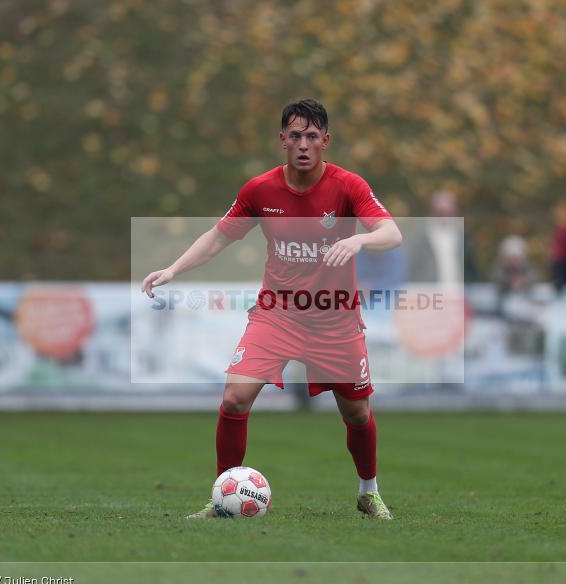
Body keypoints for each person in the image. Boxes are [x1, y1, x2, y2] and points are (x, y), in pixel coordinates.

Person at [141, 98, 402, 520]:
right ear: (282, 139)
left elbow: (391, 232)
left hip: (334, 317)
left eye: (312, 136)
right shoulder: (260, 190)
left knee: (356, 413)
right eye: (295, 135)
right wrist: (174, 269)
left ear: (326, 141)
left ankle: (368, 491)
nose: (303, 144)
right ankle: (222, 497)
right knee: (234, 398)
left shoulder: (348, 185)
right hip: (276, 313)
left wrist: (358, 240)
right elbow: (218, 237)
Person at [407, 189, 478, 285]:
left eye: (448, 212)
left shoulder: (463, 237)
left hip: (456, 293)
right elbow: (412, 267)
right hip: (429, 293)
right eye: (440, 212)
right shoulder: (420, 237)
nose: (444, 216)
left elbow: (470, 269)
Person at [491, 234, 539, 314]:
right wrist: (509, 281)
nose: (514, 262)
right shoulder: (501, 268)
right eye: (511, 258)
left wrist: (524, 282)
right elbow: (496, 277)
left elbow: (534, 276)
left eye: (516, 258)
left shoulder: (527, 268)